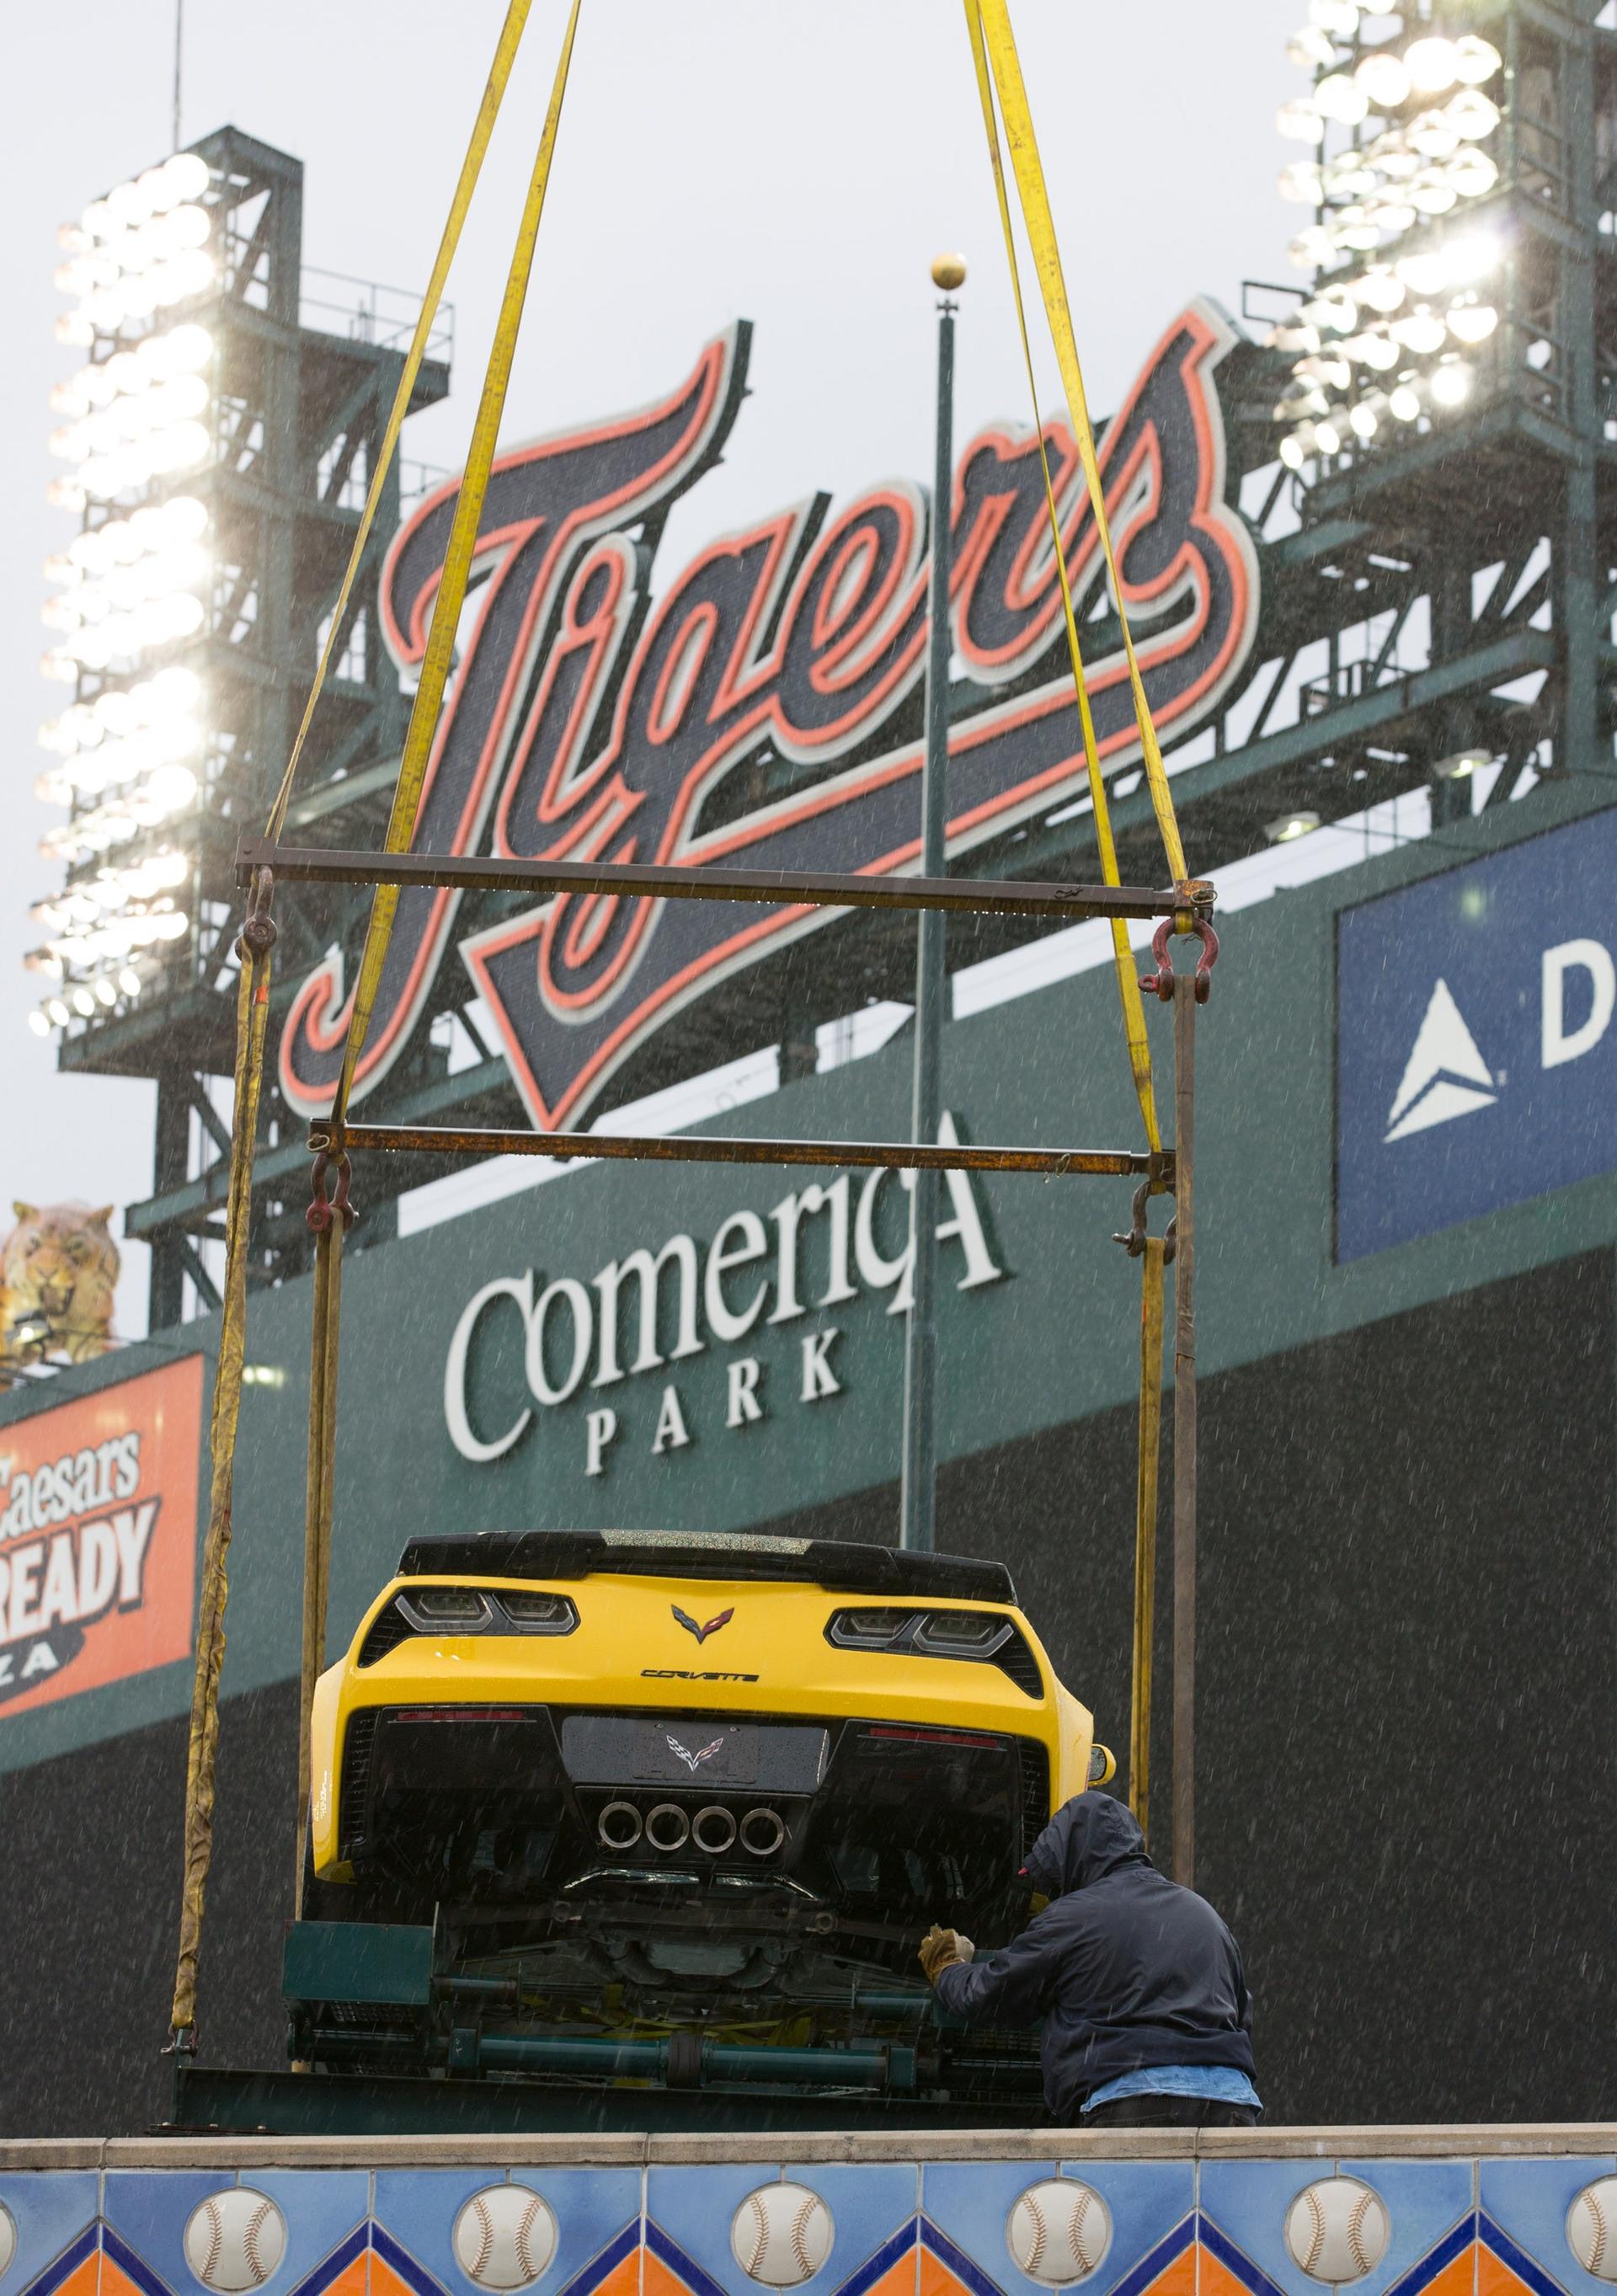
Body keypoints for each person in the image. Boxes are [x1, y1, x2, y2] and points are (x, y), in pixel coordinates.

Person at [919, 1791, 1260, 2128]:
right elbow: (1241, 2016)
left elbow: (989, 1994)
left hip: (1133, 2101)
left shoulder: (1071, 1918)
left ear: (1071, 1859)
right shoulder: (1205, 1915)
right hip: (1231, 2104)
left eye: (1051, 1883)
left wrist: (947, 1967)